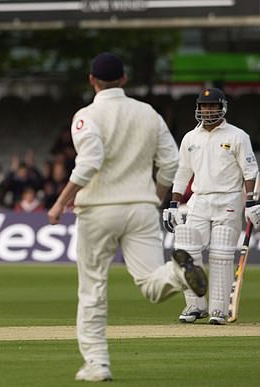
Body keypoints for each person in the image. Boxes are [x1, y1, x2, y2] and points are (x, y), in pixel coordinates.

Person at [47, 52, 207, 382]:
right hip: (141, 207)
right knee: (151, 283)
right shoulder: (148, 114)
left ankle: (97, 365)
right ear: (123, 80)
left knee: (92, 290)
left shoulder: (86, 115)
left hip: (98, 211)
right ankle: (180, 274)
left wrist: (60, 203)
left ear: (92, 80)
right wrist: (154, 199)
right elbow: (170, 164)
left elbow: (90, 162)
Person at [163, 88, 259, 325]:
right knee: (185, 249)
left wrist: (251, 202)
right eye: (204, 106)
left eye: (212, 106)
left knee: (221, 254)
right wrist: (174, 203)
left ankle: (218, 310)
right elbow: (183, 173)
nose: (207, 110)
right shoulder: (190, 138)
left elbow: (250, 172)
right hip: (199, 200)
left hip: (229, 200)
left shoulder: (237, 136)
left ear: (222, 108)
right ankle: (195, 306)